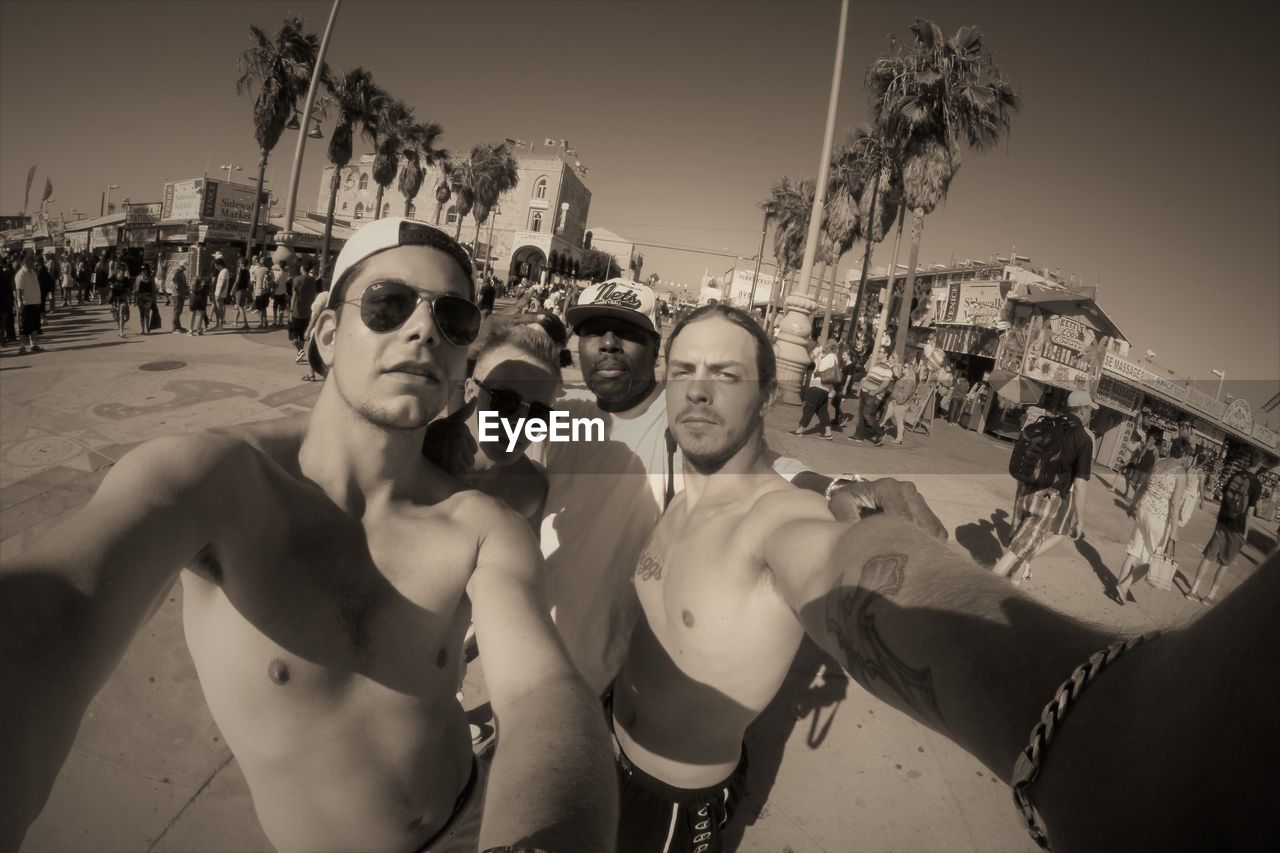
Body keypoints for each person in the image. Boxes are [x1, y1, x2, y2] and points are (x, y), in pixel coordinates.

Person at [1, 217, 617, 853]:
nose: (423, 328)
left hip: (467, 819)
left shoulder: (481, 525)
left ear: (460, 360)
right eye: (388, 303)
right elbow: (45, 618)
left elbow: (544, 694)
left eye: (453, 318)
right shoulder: (215, 481)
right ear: (326, 332)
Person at [991, 390, 1096, 581]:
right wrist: (1080, 520)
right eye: (1090, 410)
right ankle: (984, 588)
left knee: (1019, 546)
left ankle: (1014, 582)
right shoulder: (1083, 439)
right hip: (1048, 498)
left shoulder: (1048, 423)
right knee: (1015, 552)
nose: (1091, 414)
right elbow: (1080, 485)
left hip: (1025, 488)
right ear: (1082, 409)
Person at [1113, 437, 1191, 605]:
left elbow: (1143, 486)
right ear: (1183, 453)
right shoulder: (1180, 472)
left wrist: (1132, 504)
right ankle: (1125, 585)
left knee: (1133, 551)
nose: (1187, 459)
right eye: (1187, 455)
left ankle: (1119, 586)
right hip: (1159, 518)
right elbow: (1175, 502)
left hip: (1143, 509)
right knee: (1153, 561)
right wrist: (1175, 530)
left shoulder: (1159, 463)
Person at [1186, 449, 1264, 605]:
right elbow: (1249, 513)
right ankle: (1210, 597)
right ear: (1260, 465)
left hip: (1223, 521)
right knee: (1225, 563)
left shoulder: (1236, 475)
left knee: (1208, 557)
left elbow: (1223, 497)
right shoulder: (1256, 484)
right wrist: (1246, 534)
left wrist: (1220, 518)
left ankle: (1193, 590)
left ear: (1249, 460)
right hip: (1237, 527)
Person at [851, 345, 897, 447]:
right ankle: (858, 436)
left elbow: (885, 384)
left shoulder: (888, 368)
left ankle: (880, 433)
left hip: (873, 395)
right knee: (862, 415)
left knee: (868, 415)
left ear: (886, 354)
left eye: (881, 352)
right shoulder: (877, 365)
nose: (878, 353)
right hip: (865, 392)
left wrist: (874, 392)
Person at [790, 341, 838, 439]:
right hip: (824, 388)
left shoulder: (830, 357)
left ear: (829, 347)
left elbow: (820, 369)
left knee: (809, 407)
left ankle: (800, 429)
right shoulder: (835, 357)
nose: (825, 347)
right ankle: (828, 433)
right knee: (822, 410)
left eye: (826, 346)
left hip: (818, 386)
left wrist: (818, 359)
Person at [881, 355, 918, 444]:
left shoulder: (910, 381)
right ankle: (876, 429)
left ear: (909, 370)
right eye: (903, 366)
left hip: (900, 404)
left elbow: (906, 394)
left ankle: (899, 439)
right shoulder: (904, 378)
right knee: (885, 416)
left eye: (905, 367)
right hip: (894, 401)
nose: (903, 368)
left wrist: (899, 402)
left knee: (899, 420)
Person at [14, 251, 45, 354]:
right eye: (30, 260)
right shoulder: (20, 274)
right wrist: (20, 303)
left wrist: (38, 301)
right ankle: (22, 347)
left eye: (32, 260)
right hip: (26, 304)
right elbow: (19, 290)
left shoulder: (33, 272)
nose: (33, 262)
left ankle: (33, 345)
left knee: (34, 325)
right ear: (24, 262)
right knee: (24, 327)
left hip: (34, 303)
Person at [287, 257, 317, 354]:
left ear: (303, 268)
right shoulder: (313, 280)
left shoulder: (297, 279)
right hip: (308, 311)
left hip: (297, 310)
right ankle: (299, 353)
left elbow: (294, 296)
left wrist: (291, 311)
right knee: (303, 333)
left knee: (294, 335)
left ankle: (300, 350)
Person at [251, 254, 273, 328]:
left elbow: (253, 281)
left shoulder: (256, 270)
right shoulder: (268, 270)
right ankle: (266, 321)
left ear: (260, 262)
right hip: (266, 291)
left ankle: (261, 322)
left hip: (258, 290)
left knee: (259, 308)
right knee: (264, 307)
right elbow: (271, 281)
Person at [210, 253, 231, 330]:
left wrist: (219, 294)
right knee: (217, 309)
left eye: (216, 265)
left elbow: (224, 284)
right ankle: (218, 324)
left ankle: (220, 325)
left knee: (219, 309)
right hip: (218, 292)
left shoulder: (225, 271)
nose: (215, 267)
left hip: (219, 293)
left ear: (220, 264)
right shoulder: (222, 271)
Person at [134, 264, 156, 335]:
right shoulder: (138, 278)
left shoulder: (151, 278)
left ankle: (147, 329)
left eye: (145, 270)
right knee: (141, 314)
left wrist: (153, 299)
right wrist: (135, 299)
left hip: (148, 298)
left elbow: (153, 289)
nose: (143, 271)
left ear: (147, 270)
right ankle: (143, 330)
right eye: (142, 270)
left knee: (147, 314)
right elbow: (135, 289)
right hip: (140, 298)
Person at [231, 257, 252, 329]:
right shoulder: (247, 271)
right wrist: (249, 291)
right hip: (244, 290)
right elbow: (249, 283)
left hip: (239, 290)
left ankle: (246, 323)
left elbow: (237, 281)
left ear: (242, 264)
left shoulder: (240, 271)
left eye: (240, 263)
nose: (239, 264)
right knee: (238, 305)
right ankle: (235, 322)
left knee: (240, 307)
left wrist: (232, 290)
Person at [169, 262, 189, 333]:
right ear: (181, 266)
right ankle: (175, 327)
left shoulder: (181, 272)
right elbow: (173, 278)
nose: (185, 269)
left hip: (181, 294)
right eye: (184, 268)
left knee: (179, 311)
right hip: (177, 294)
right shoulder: (176, 271)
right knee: (176, 311)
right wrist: (177, 284)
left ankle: (178, 326)